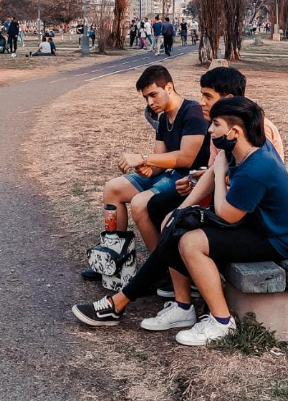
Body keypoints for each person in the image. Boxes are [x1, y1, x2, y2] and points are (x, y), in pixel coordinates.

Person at [72, 97, 288, 347]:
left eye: (215, 124)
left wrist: (217, 173)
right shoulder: (239, 147)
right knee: (176, 223)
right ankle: (174, 307)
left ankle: (221, 322)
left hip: (276, 239)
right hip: (255, 225)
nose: (210, 130)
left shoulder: (257, 167)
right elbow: (210, 177)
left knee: (191, 242)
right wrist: (182, 208)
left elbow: (226, 214)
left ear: (235, 131)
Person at [144, 67, 285, 298]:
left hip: (250, 215)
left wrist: (216, 176)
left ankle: (174, 293)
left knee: (183, 233)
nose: (201, 102)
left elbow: (247, 180)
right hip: (232, 203)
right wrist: (194, 180)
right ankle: (177, 287)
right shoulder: (218, 129)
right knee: (163, 211)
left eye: (207, 96)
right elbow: (216, 169)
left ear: (228, 100)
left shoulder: (258, 131)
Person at [82, 65, 207, 278]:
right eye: (146, 98)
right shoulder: (163, 118)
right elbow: (160, 162)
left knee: (140, 203)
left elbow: (186, 157)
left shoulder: (192, 111)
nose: (150, 102)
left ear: (169, 87)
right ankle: (113, 256)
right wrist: (146, 168)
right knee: (113, 189)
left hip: (189, 178)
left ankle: (161, 270)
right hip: (169, 174)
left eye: (153, 95)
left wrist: (144, 158)